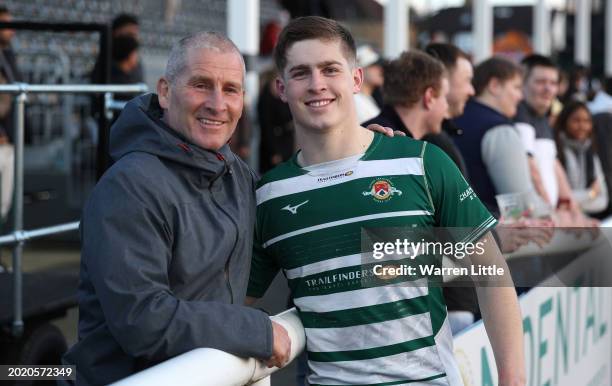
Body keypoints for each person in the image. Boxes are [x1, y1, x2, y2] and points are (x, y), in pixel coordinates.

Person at [247, 16, 525, 386]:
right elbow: (236, 304)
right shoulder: (269, 194)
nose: (317, 84)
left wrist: (513, 380)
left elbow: (491, 273)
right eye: (301, 73)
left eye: (330, 69)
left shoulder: (421, 162)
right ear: (281, 87)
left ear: (357, 79)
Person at [62, 32, 291, 386]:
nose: (218, 104)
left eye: (231, 89)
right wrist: (256, 330)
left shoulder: (235, 173)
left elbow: (293, 209)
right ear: (165, 91)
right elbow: (142, 321)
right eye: (202, 85)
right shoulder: (129, 186)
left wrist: (361, 151)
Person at [452, 57, 531, 214]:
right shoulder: (501, 130)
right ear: (494, 85)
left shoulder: (451, 119)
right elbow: (519, 205)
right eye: (516, 88)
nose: (520, 96)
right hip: (493, 231)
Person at [363, 50, 449, 140]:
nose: (447, 107)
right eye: (445, 97)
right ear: (429, 97)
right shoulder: (378, 139)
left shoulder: (370, 135)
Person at [423, 43, 474, 177]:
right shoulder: (431, 142)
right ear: (442, 82)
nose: (472, 91)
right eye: (467, 80)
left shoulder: (443, 133)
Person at [554, 101, 609, 215]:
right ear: (565, 121)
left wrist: (574, 203)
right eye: (576, 120)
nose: (582, 126)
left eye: (587, 121)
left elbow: (603, 201)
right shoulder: (555, 150)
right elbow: (556, 198)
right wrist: (590, 194)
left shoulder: (590, 150)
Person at [0, 5, 19, 219]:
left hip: (9, 138)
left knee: (4, 203)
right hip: (2, 137)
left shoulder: (8, 55)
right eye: (6, 24)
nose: (12, 30)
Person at [354, 44, 383, 123]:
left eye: (381, 65)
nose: (381, 69)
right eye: (374, 65)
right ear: (360, 70)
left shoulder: (368, 98)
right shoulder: (355, 100)